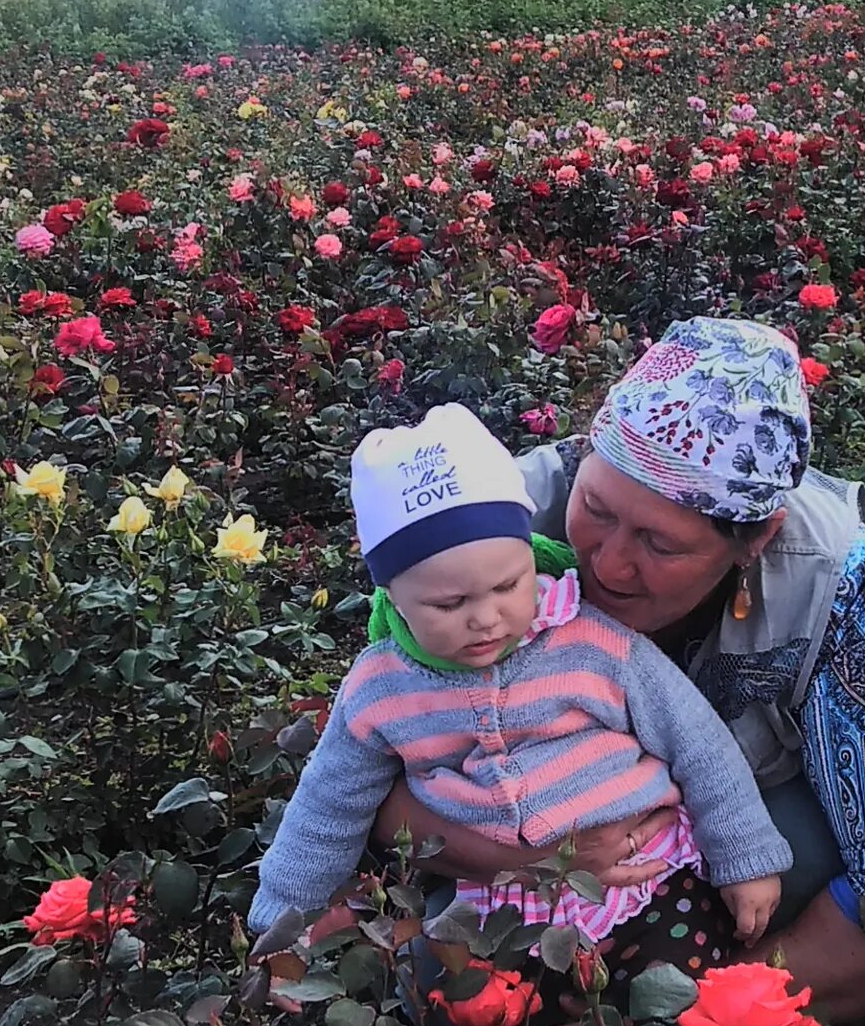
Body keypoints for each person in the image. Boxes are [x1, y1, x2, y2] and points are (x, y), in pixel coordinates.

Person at [375, 317, 865, 1026]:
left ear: (756, 538)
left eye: (660, 545)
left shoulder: (826, 575)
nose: (608, 563)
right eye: (596, 508)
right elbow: (372, 785)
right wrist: (543, 858)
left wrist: (692, 1022)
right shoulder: (482, 526)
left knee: (808, 856)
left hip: (745, 836)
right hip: (517, 854)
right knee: (444, 984)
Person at [245, 403, 792, 956]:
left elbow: (697, 742)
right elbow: (327, 805)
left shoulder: (592, 640)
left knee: (677, 984)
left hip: (650, 875)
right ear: (394, 598)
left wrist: (744, 858)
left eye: (508, 586)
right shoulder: (381, 687)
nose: (485, 618)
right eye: (448, 603)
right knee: (476, 1010)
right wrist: (284, 922)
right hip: (498, 901)